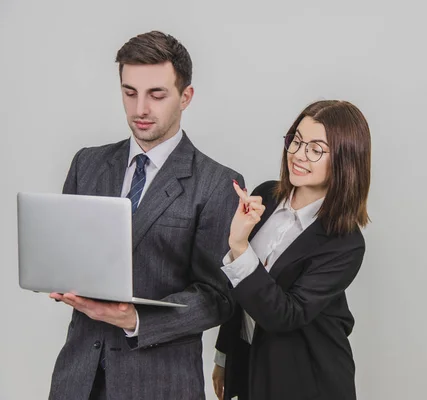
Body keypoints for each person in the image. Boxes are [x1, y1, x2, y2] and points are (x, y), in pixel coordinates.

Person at [48, 31, 243, 400]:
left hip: (160, 384)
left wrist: (136, 320)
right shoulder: (87, 164)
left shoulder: (218, 184)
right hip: (77, 379)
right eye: (129, 92)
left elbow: (218, 298)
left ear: (186, 97)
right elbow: (68, 253)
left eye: (156, 94)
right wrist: (57, 276)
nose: (140, 109)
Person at [212, 100, 371, 400]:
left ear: (344, 159)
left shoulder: (346, 243)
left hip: (308, 378)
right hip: (251, 363)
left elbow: (285, 314)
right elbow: (240, 291)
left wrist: (239, 246)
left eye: (315, 149)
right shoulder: (265, 196)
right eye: (296, 141)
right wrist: (224, 354)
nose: (298, 155)